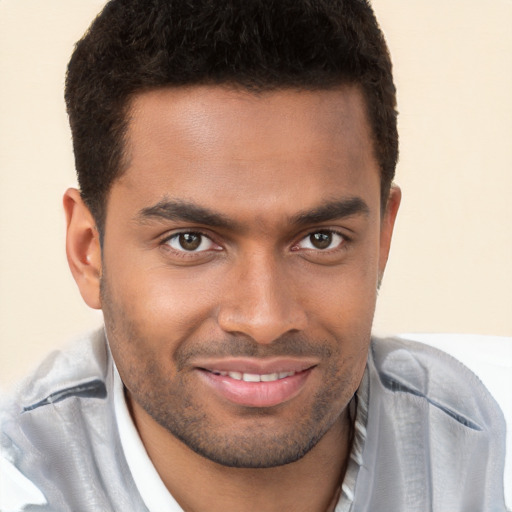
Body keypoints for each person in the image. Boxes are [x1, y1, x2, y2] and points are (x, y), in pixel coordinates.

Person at [0, 0, 506, 511]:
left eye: (321, 239)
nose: (264, 319)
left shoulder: (495, 445)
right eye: (190, 241)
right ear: (90, 252)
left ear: (381, 240)